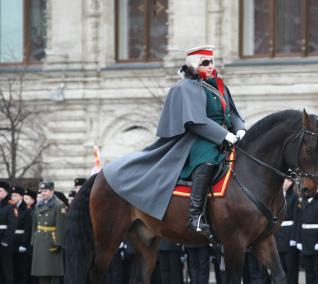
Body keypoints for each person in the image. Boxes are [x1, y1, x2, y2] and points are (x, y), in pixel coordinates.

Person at [103, 45, 246, 241]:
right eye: (206, 63)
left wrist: (240, 129)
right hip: (197, 140)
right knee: (208, 161)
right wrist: (223, 135)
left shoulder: (219, 86)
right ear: (194, 66)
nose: (211, 66)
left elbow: (233, 113)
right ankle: (195, 216)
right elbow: (196, 122)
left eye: (212, 62)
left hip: (225, 137)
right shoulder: (184, 88)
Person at [31, 181, 67, 284]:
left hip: (52, 241)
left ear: (52, 191)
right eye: (42, 191)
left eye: (46, 190)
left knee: (53, 273)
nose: (43, 193)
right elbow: (35, 224)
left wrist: (59, 243)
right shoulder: (38, 205)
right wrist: (34, 240)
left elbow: (61, 226)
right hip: (40, 240)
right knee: (41, 273)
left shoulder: (59, 205)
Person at [296, 178, 318, 284]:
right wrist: (299, 240)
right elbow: (300, 223)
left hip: (316, 239)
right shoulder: (304, 201)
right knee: (308, 269)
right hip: (305, 240)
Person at [274, 179, 299, 284]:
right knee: (280, 268)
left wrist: (294, 238)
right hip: (278, 235)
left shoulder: (294, 197)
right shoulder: (276, 197)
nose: (284, 182)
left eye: (287, 180)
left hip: (289, 236)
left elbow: (296, 219)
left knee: (291, 269)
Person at [11, 186, 33, 284]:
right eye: (12, 195)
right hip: (12, 242)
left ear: (21, 196)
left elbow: (28, 229)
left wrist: (24, 244)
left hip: (21, 242)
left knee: (21, 270)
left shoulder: (27, 210)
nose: (13, 197)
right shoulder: (12, 208)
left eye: (15, 195)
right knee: (12, 270)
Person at [0, 181, 18, 284]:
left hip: (4, 244)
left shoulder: (11, 206)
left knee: (6, 271)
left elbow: (12, 226)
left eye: (0, 191)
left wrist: (5, 241)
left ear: (6, 192)